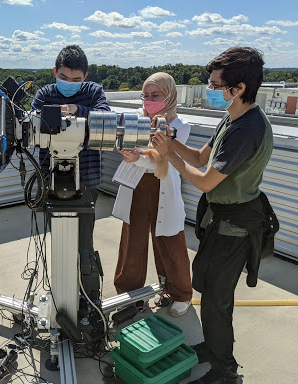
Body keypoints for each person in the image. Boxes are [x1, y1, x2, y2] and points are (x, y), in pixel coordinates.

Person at [152, 47, 277, 384]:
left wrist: (169, 157)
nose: (211, 90)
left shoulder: (247, 129)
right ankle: (216, 346)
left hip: (235, 227)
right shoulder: (233, 116)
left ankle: (225, 371)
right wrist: (170, 140)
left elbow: (206, 181)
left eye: (216, 85)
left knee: (216, 300)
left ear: (237, 88)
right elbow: (199, 155)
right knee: (211, 294)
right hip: (221, 221)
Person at [113, 72, 193, 317]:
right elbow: (130, 146)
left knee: (170, 242)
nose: (149, 100)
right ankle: (129, 294)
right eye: (145, 95)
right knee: (132, 242)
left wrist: (137, 157)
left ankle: (179, 292)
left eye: (155, 95)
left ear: (169, 95)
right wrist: (132, 154)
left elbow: (164, 158)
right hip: (136, 187)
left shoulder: (179, 126)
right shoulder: (135, 118)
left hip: (163, 188)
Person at [31, 44, 110, 253]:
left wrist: (78, 110)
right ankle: (60, 284)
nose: (69, 84)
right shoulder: (44, 94)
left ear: (85, 75)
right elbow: (31, 125)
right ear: (55, 72)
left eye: (76, 80)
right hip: (51, 178)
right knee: (60, 243)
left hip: (87, 178)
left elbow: (104, 117)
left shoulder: (94, 91)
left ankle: (86, 282)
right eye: (64, 77)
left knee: (84, 242)